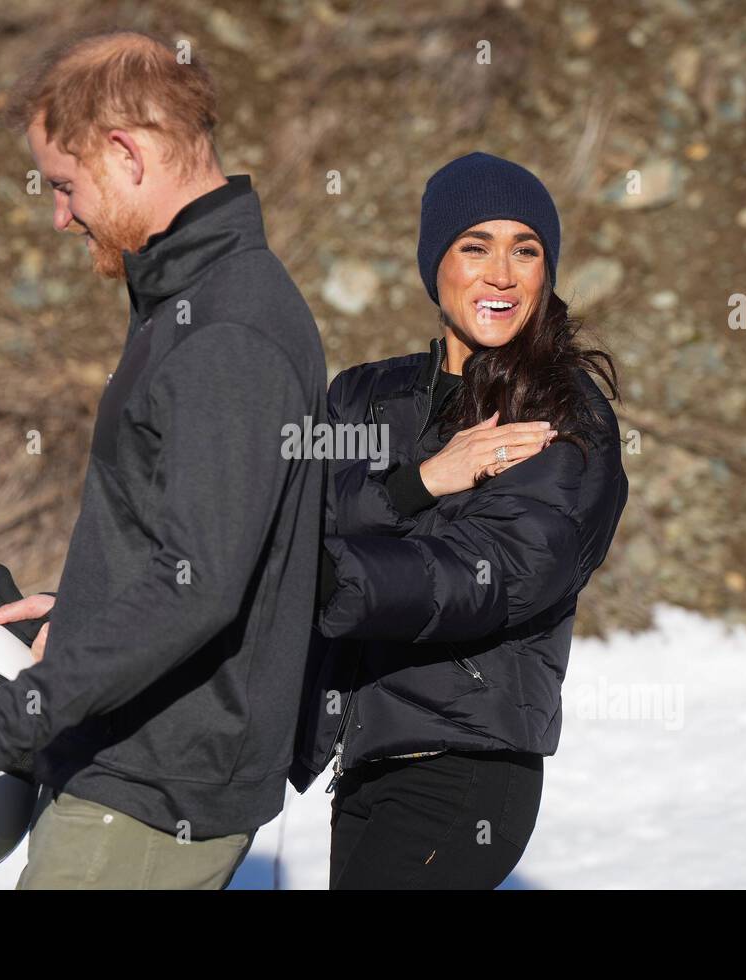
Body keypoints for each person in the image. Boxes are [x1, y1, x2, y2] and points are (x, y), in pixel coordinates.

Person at [0, 29, 327, 889]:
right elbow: (196, 545)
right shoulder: (194, 300)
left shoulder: (226, 329)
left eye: (63, 184)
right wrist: (87, 599)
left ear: (124, 153)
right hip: (137, 766)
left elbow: (195, 589)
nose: (59, 214)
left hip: (150, 789)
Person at [290, 152, 629, 889]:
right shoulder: (363, 397)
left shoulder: (562, 412)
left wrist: (328, 573)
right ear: (434, 263)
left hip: (468, 767)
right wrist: (417, 485)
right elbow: (286, 510)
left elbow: (499, 573)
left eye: (526, 250)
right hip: (365, 761)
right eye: (475, 246)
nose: (502, 274)